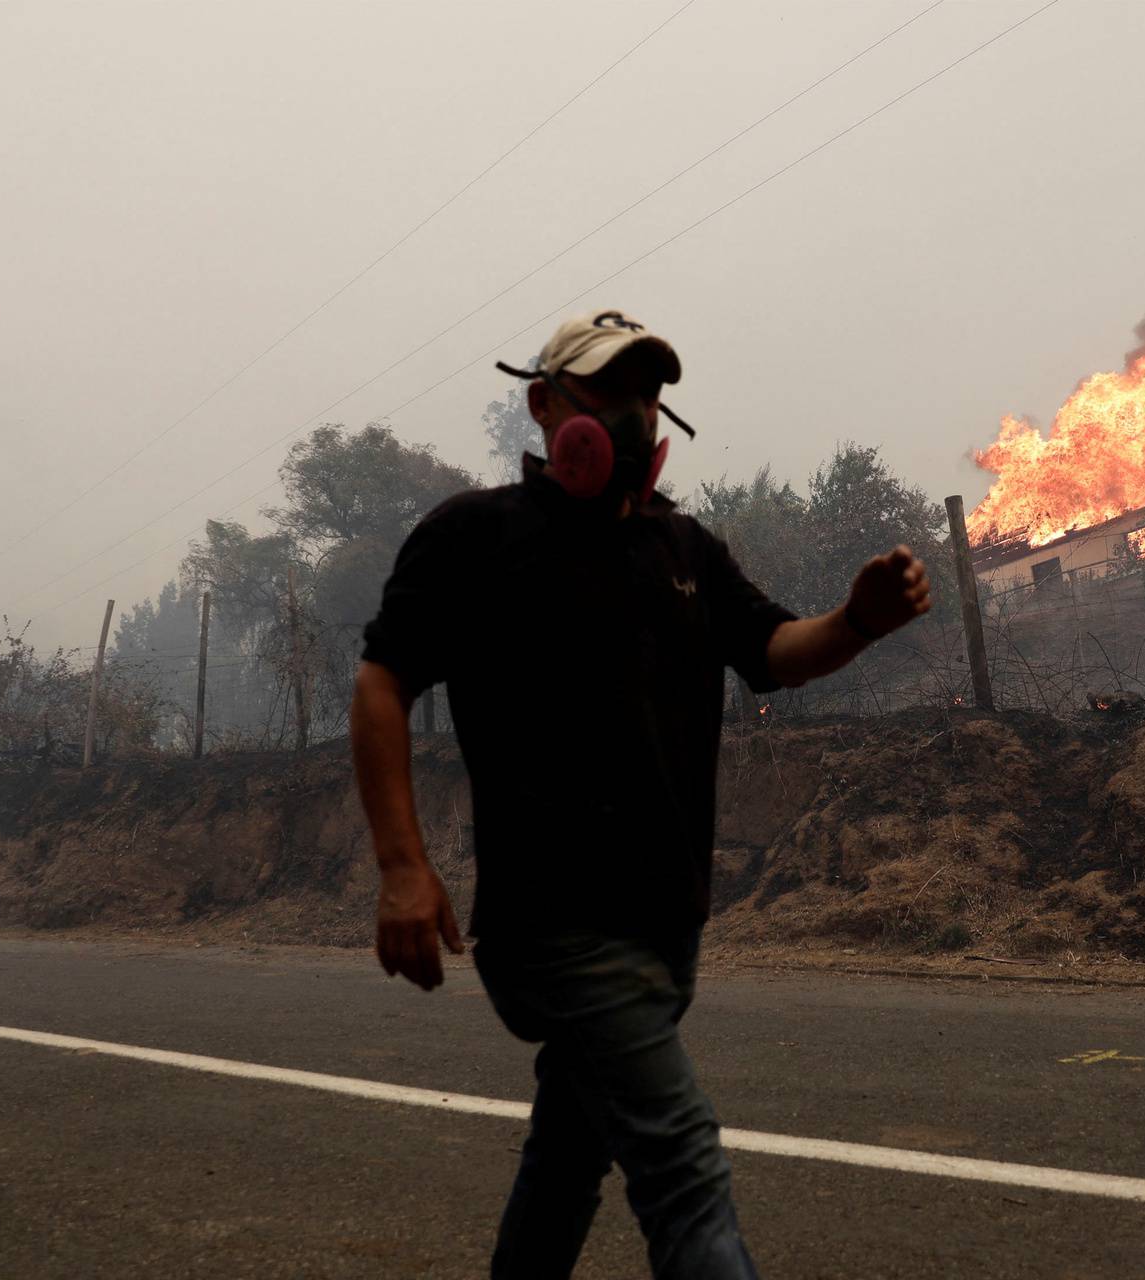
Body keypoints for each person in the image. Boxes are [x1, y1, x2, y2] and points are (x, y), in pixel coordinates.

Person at [348, 309, 931, 1279]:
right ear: (544, 405)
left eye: (647, 396)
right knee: (684, 1176)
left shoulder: (683, 551)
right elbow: (383, 682)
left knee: (569, 1154)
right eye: (608, 393)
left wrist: (856, 621)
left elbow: (774, 650)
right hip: (557, 926)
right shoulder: (476, 537)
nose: (632, 415)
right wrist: (403, 866)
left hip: (667, 927)